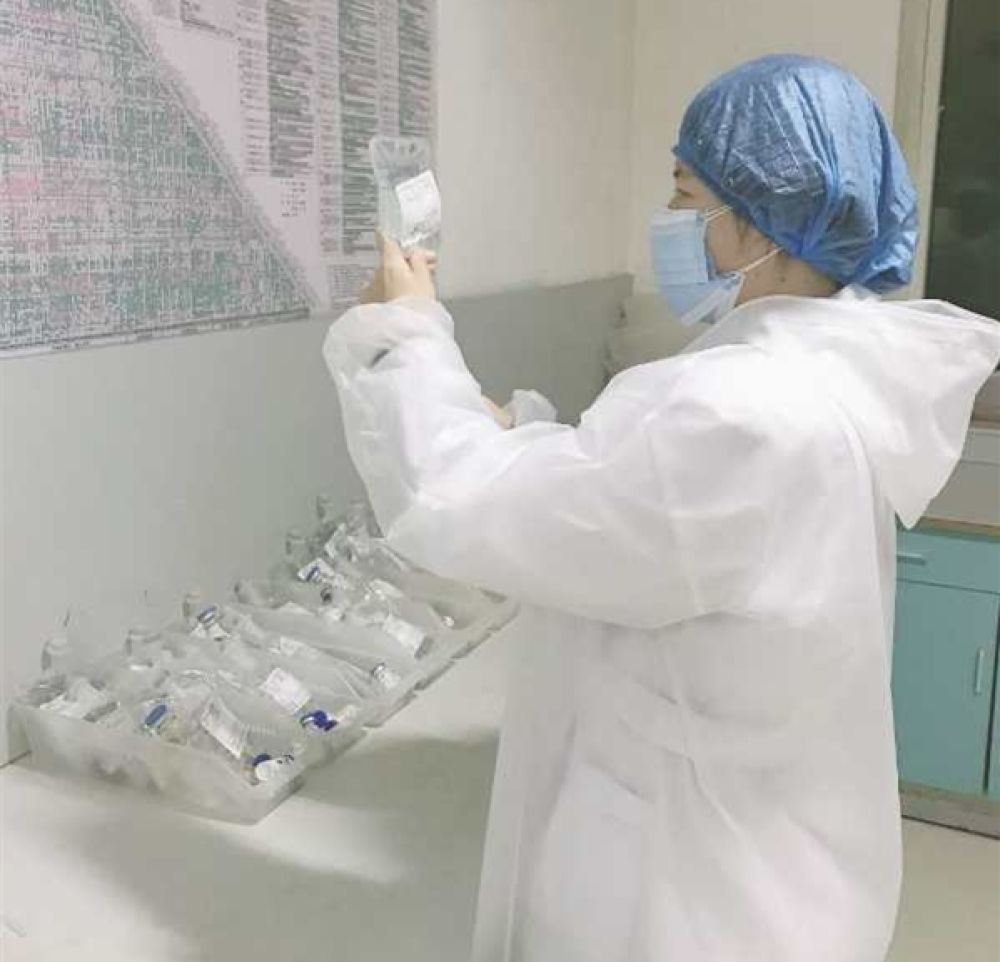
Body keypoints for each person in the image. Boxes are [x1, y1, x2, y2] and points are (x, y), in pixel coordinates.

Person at [324, 55, 1000, 962]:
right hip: (780, 861)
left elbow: (465, 503)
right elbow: (636, 499)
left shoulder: (736, 413)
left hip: (688, 899)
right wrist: (517, 429)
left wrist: (406, 335)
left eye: (686, 194)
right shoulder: (822, 381)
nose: (670, 220)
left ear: (760, 220)